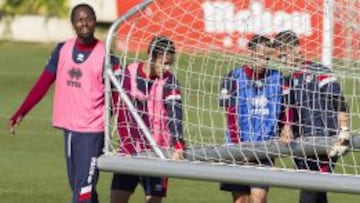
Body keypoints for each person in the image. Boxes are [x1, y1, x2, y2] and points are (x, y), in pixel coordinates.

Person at [8, 4, 115, 203]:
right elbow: (43, 82)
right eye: (79, 19)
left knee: (82, 193)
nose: (84, 23)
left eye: (88, 18)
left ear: (95, 20)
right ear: (73, 24)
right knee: (82, 189)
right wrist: (22, 111)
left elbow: (116, 96)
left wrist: (111, 129)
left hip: (92, 132)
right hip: (70, 130)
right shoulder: (62, 49)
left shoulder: (106, 55)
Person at [273, 30, 351, 203]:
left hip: (324, 142)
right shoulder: (288, 80)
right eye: (281, 58)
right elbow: (288, 111)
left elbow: (339, 101)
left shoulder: (319, 71)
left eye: (285, 55)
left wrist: (344, 131)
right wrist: (286, 127)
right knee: (317, 193)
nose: (283, 61)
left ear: (297, 49)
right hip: (302, 145)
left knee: (309, 193)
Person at [110, 35, 185, 203]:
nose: (166, 68)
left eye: (169, 64)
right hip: (130, 150)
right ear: (151, 56)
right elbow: (121, 110)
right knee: (117, 198)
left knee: (154, 200)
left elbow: (175, 113)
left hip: (158, 152)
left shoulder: (170, 81)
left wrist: (178, 143)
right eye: (163, 62)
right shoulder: (129, 73)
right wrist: (127, 144)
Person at [219, 35, 286, 203]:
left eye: (267, 58)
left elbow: (286, 108)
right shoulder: (233, 77)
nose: (264, 63)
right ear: (250, 54)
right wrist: (239, 148)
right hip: (236, 146)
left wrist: (286, 126)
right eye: (260, 57)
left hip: (264, 147)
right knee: (240, 200)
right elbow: (231, 116)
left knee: (258, 198)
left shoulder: (278, 78)